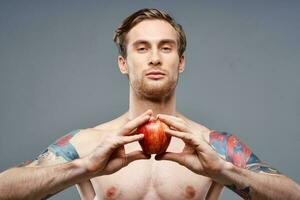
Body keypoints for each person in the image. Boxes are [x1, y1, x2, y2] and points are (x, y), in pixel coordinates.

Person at [0, 8, 299, 200]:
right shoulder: (90, 143)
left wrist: (223, 171)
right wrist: (84, 167)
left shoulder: (211, 145)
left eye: (165, 48)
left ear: (180, 62)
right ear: (123, 63)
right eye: (142, 48)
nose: (154, 57)